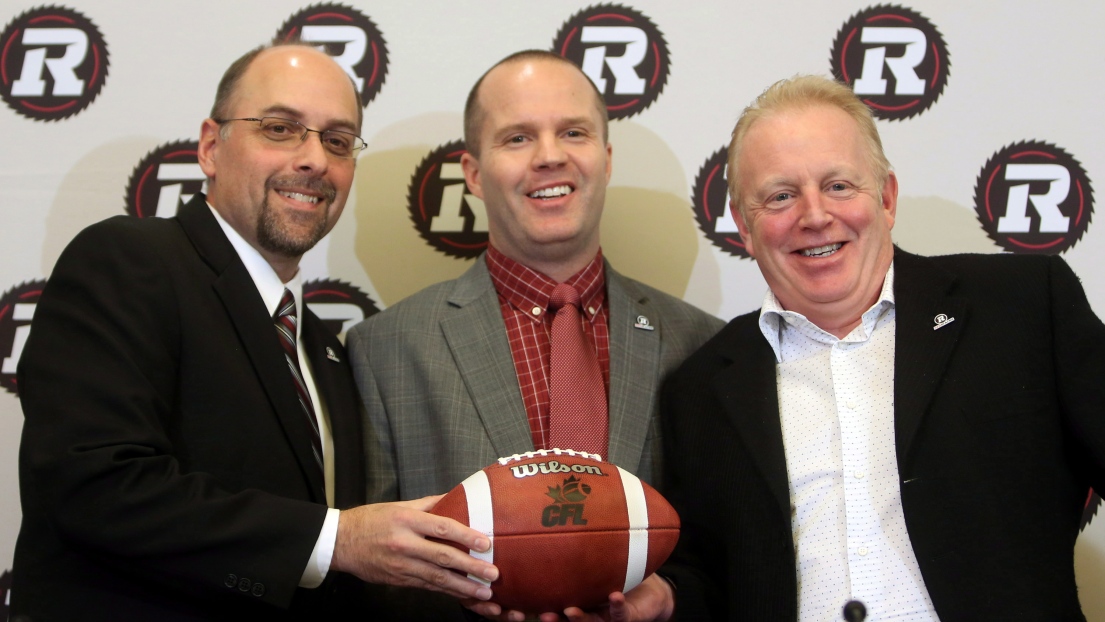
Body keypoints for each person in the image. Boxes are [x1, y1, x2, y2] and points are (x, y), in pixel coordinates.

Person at [11, 42, 497, 621]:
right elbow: (93, 486)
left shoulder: (320, 347)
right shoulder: (129, 261)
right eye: (280, 128)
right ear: (212, 148)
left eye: (338, 140)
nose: (315, 159)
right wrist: (338, 539)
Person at [654, 75, 1105, 621]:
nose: (815, 215)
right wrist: (661, 599)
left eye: (839, 185)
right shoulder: (701, 387)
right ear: (744, 230)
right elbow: (712, 580)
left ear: (887, 198)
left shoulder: (1024, 308)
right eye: (780, 196)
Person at [345, 50, 722, 620]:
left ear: (606, 156)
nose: (550, 157)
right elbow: (372, 574)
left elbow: (723, 553)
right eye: (517, 138)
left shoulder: (699, 342)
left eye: (573, 132)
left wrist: (666, 598)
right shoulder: (386, 349)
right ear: (473, 172)